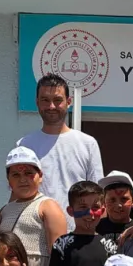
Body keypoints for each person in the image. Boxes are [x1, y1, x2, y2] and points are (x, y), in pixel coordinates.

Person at [17, 73, 104, 227]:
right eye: (45, 100)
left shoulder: (88, 144)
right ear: (37, 102)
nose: (51, 106)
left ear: (68, 102)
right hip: (35, 233)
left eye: (57, 100)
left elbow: (98, 196)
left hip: (77, 234)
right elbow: (17, 193)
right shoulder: (24, 145)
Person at [0, 147, 69, 266]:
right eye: (16, 175)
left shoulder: (47, 206)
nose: (22, 180)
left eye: (28, 173)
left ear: (40, 176)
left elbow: (59, 256)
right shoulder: (5, 209)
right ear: (8, 179)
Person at [95, 171, 133, 236]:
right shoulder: (94, 228)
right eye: (112, 200)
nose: (118, 205)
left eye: (124, 199)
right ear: (104, 202)